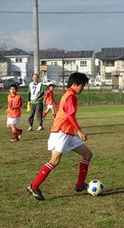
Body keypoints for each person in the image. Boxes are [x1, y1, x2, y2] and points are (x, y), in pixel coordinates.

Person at [27, 72, 92, 201]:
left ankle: (80, 185)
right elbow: (70, 116)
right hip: (61, 133)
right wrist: (79, 131)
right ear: (75, 84)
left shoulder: (68, 94)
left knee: (87, 154)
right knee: (54, 161)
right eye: (82, 86)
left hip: (67, 133)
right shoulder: (71, 96)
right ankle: (33, 186)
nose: (83, 89)